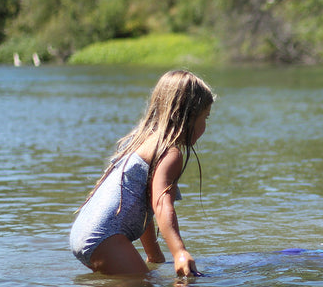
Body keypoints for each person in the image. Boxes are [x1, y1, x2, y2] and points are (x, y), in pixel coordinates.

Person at [70, 69, 216, 276]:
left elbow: (143, 206)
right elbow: (160, 203)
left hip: (83, 233)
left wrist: (154, 255)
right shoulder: (169, 153)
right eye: (206, 118)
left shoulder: (142, 141)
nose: (205, 126)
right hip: (106, 237)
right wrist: (180, 252)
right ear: (188, 117)